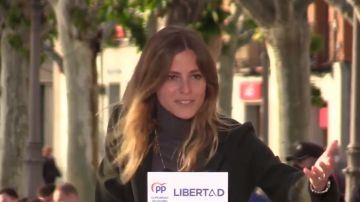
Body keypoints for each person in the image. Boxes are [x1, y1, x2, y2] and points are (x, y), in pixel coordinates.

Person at [95, 25, 339, 202]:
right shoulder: (124, 135)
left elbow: (288, 187)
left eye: (195, 76)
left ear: (208, 82)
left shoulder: (235, 140)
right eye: (172, 77)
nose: (186, 89)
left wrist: (316, 185)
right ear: (153, 81)